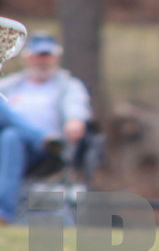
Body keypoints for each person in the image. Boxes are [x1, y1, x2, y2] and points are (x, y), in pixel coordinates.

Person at [0, 32, 92, 224]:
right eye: (38, 55)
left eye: (47, 56)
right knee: (10, 135)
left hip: (49, 152)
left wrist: (75, 121)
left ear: (56, 58)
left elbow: (76, 109)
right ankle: (40, 136)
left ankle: (3, 213)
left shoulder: (68, 86)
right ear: (27, 58)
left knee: (11, 137)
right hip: (9, 146)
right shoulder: (9, 85)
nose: (43, 61)